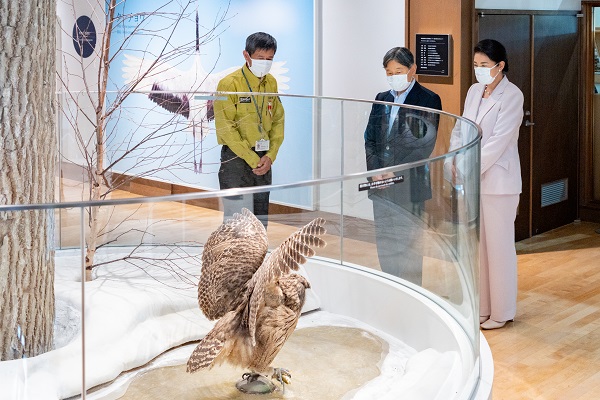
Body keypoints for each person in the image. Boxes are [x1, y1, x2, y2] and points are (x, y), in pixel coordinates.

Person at [448, 39, 523, 330]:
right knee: (481, 248)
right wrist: (454, 158)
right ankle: (484, 307)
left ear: (500, 66)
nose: (478, 71)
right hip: (474, 178)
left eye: (484, 66)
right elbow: (462, 127)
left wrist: (466, 166)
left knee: (500, 248)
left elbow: (497, 142)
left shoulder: (512, 95)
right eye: (476, 65)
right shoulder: (474, 91)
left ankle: (502, 311)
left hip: (499, 181)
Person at [364, 47, 442, 285]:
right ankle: (390, 288)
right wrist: (377, 171)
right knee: (385, 240)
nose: (393, 76)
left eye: (398, 71)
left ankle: (410, 293)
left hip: (409, 183)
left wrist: (394, 171)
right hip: (381, 184)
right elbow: (370, 138)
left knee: (408, 243)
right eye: (389, 72)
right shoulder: (382, 98)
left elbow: (422, 145)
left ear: (412, 70)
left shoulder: (428, 99)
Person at [214, 32, 284, 228]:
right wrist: (253, 159)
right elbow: (225, 127)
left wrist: (270, 155)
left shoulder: (271, 82)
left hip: (264, 159)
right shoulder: (229, 84)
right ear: (246, 55)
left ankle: (258, 258)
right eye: (260, 59)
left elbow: (278, 120)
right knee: (236, 223)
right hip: (236, 160)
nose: (265, 63)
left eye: (269, 59)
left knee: (260, 221)